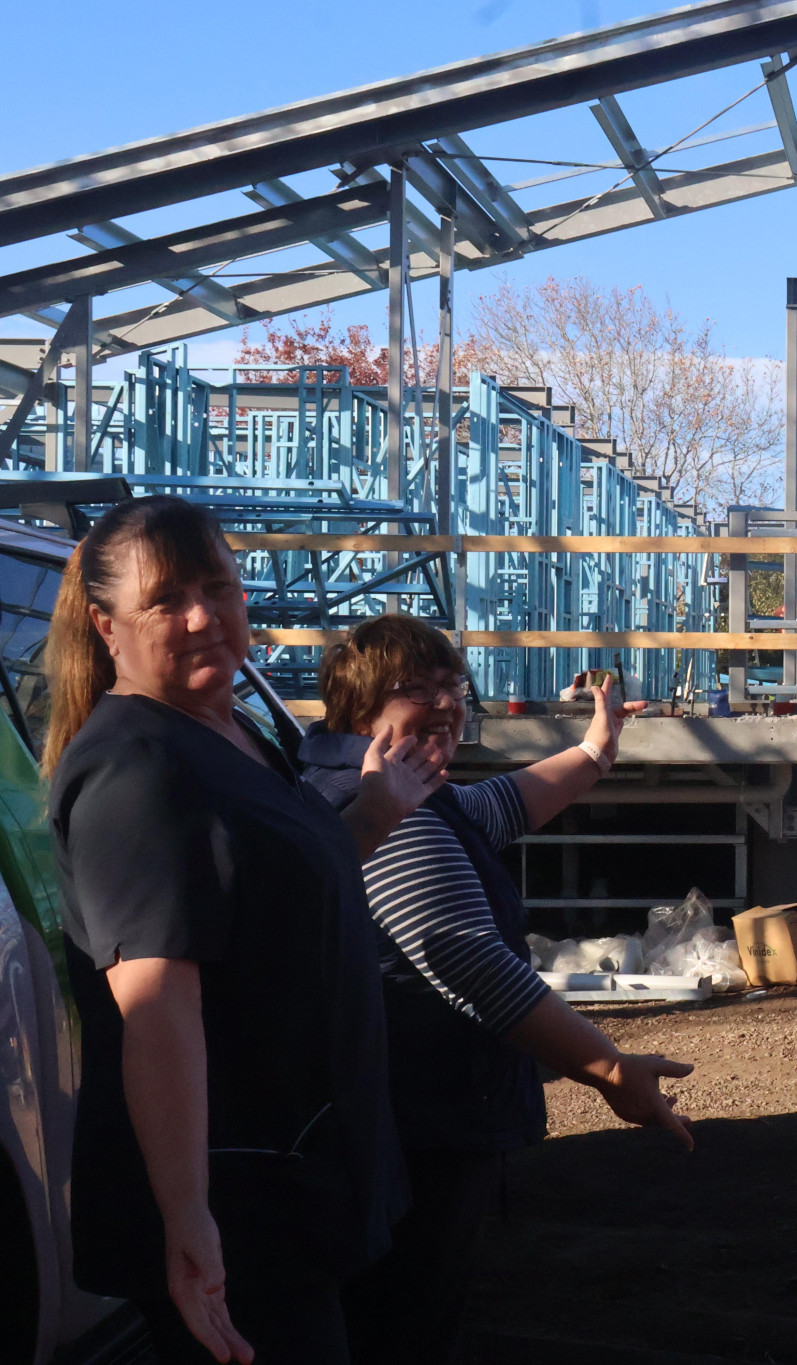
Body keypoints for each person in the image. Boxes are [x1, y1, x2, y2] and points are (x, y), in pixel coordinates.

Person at [45, 497, 446, 1364]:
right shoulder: (136, 769)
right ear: (104, 623)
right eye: (167, 600)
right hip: (238, 1217)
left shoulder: (233, 731)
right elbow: (157, 1012)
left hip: (294, 1190)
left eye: (217, 587)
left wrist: (372, 816)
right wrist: (188, 1215)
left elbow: (268, 899)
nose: (202, 617)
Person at [294, 615, 695, 1364]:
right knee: (406, 1326)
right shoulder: (388, 810)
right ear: (358, 708)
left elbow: (496, 808)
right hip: (423, 1121)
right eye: (416, 688)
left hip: (402, 1117)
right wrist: (610, 1068)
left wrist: (593, 752)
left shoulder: (387, 786)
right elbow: (473, 964)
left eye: (452, 684)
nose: (446, 702)